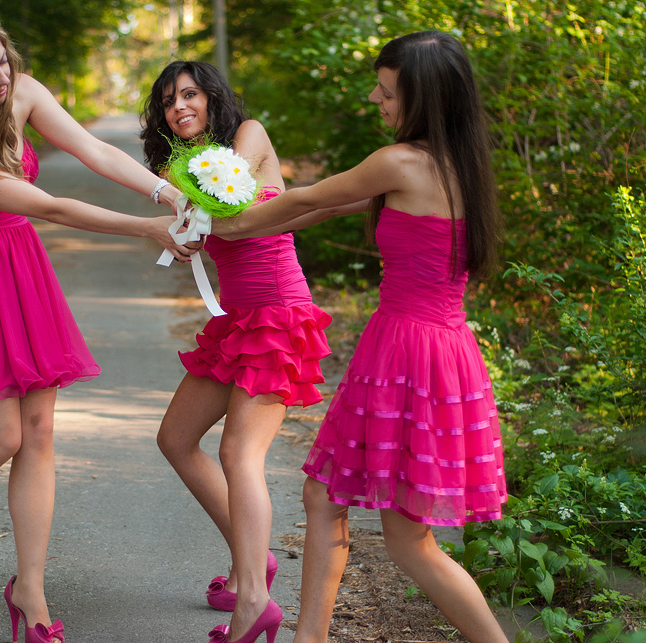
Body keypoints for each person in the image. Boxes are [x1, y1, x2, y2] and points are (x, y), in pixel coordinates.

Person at [0, 9, 195, 643]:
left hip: (17, 265)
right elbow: (51, 206)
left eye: (3, 61)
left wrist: (168, 193)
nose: (1, 79)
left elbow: (94, 149)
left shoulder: (19, 90)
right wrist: (146, 228)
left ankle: (31, 588)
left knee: (40, 431)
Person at [212, 31, 509, 643]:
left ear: (424, 98)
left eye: (387, 90)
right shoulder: (460, 165)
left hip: (406, 350)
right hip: (445, 350)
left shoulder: (399, 162)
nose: (376, 98)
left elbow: (309, 196)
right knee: (352, 510)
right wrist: (242, 218)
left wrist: (229, 224)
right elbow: (324, 208)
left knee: (396, 533)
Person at [140, 61, 332, 643]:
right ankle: (254, 560)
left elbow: (227, 203)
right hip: (236, 321)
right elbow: (196, 219)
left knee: (239, 452)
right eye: (168, 101)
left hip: (278, 315)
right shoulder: (180, 166)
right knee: (176, 438)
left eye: (189, 94)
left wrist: (184, 204)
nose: (179, 107)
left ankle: (252, 599)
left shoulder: (247, 136)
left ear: (213, 98)